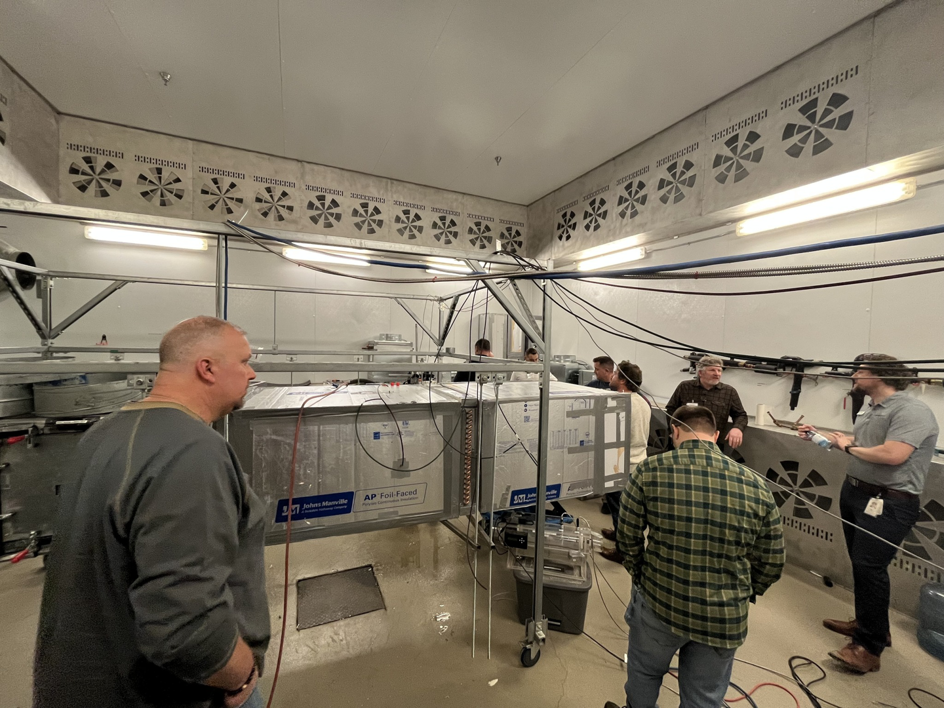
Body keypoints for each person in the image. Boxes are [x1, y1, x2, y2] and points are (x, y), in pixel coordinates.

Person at [34, 316, 269, 708]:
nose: (252, 372)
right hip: (169, 693)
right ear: (207, 368)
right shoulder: (193, 450)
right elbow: (185, 627)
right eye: (244, 361)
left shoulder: (104, 432)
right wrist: (239, 674)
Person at [607, 405, 784, 708]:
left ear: (675, 431)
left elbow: (628, 536)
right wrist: (740, 593)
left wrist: (642, 577)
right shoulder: (756, 485)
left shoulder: (650, 470)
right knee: (703, 697)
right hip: (723, 618)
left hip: (660, 603)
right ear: (716, 436)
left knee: (644, 674)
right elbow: (772, 561)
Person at [799, 354, 939, 674]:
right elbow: (863, 446)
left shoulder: (911, 410)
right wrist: (826, 438)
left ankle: (869, 648)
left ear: (881, 376)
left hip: (889, 501)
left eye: (861, 370)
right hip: (856, 491)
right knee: (861, 565)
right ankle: (869, 624)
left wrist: (848, 447)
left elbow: (893, 454)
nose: (854, 374)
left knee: (870, 567)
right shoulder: (869, 406)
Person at [599, 360, 650, 564]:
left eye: (615, 374)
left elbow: (609, 435)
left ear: (622, 380)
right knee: (625, 506)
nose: (611, 376)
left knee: (620, 507)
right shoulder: (641, 400)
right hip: (638, 461)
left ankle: (622, 551)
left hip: (620, 463)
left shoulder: (619, 403)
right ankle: (618, 534)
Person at [666, 355, 748, 449]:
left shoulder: (729, 392)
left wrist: (737, 428)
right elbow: (671, 409)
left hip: (713, 444)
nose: (717, 374)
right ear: (700, 373)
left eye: (719, 370)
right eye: (712, 370)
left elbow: (741, 415)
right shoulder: (685, 387)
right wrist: (672, 431)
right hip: (683, 441)